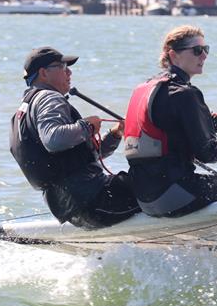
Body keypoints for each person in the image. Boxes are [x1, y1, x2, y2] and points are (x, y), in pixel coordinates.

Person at [124, 25, 217, 216]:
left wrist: (207, 129)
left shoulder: (145, 89)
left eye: (206, 50)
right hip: (176, 194)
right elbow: (208, 154)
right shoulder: (186, 94)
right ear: (173, 55)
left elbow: (169, 140)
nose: (204, 56)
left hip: (145, 198)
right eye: (197, 51)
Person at [10, 46, 140, 229]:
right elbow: (53, 140)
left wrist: (115, 133)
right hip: (96, 201)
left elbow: (78, 157)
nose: (69, 72)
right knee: (156, 183)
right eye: (62, 67)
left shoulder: (26, 108)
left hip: (71, 208)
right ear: (43, 73)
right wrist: (86, 126)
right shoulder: (49, 98)